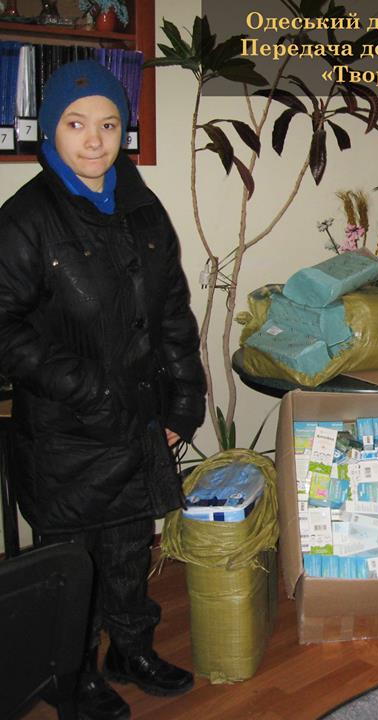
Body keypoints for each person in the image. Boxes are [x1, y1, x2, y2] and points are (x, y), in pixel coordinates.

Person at [0, 60, 205, 720]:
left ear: (125, 130)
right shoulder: (25, 219)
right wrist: (87, 386)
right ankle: (74, 674)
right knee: (74, 564)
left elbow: (171, 312)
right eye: (76, 123)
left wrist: (183, 402)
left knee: (127, 547)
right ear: (50, 130)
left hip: (136, 422)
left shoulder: (144, 208)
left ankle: (132, 651)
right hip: (65, 434)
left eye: (109, 124)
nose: (94, 140)